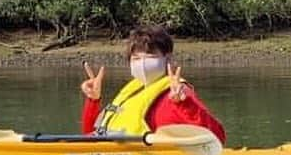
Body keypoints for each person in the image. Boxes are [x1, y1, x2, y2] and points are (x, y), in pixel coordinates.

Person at [79, 24, 226, 144]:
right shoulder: (132, 92)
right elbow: (91, 135)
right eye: (136, 58)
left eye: (150, 56)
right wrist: (93, 101)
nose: (142, 63)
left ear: (167, 58)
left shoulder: (178, 94)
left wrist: (185, 104)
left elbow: (217, 137)